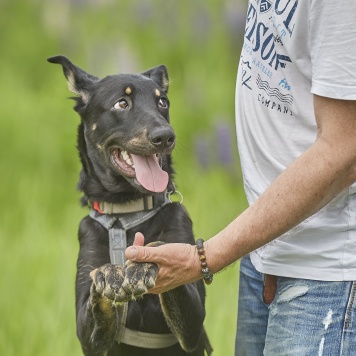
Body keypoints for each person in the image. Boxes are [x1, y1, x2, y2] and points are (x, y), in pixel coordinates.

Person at [125, 1, 356, 354]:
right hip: (275, 239)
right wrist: (272, 237)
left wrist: (205, 257)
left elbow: (345, 147)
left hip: (327, 272)